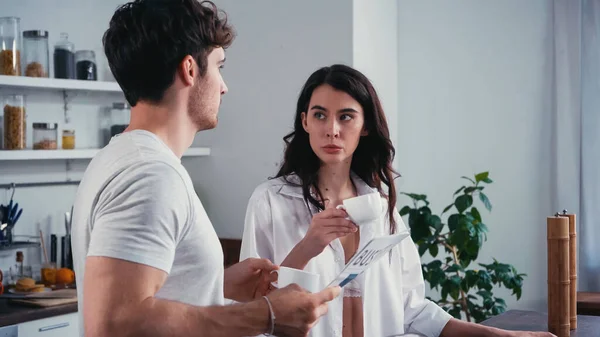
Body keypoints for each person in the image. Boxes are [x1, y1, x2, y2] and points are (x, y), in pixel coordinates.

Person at [70, 1, 340, 337]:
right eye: (218, 66)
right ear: (189, 69)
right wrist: (266, 314)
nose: (224, 86)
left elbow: (145, 293)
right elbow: (116, 322)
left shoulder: (118, 158)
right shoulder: (151, 176)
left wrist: (213, 283)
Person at [239, 64, 556, 337]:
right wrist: (308, 246)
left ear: (364, 127)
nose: (332, 130)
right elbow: (253, 311)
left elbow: (414, 309)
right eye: (320, 115)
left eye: (346, 117)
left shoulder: (380, 208)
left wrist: (498, 334)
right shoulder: (270, 201)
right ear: (305, 121)